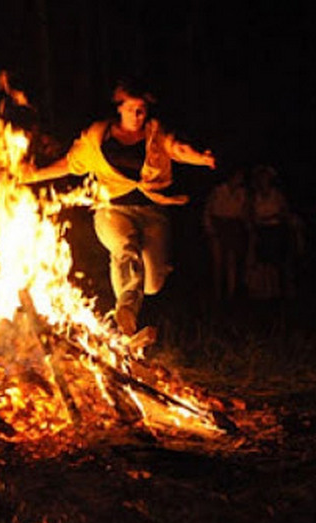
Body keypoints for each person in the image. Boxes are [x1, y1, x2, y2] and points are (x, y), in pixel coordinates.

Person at [20, 79, 216, 336]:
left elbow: (178, 148)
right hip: (112, 209)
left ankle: (136, 294)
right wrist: (35, 175)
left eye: (141, 110)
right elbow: (71, 163)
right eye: (131, 109)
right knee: (126, 249)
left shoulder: (155, 134)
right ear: (119, 109)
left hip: (153, 213)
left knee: (153, 282)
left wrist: (201, 158)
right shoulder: (97, 137)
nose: (136, 115)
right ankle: (126, 310)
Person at [245, 164, 294, 300]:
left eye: (266, 177)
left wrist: (276, 217)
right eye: (261, 177)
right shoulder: (254, 196)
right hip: (261, 230)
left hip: (275, 230)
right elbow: (249, 214)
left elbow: (285, 212)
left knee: (275, 261)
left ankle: (276, 291)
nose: (264, 180)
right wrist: (253, 227)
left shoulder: (277, 195)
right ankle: (263, 291)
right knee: (262, 261)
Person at [203, 167, 250, 302]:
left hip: (234, 226)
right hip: (219, 225)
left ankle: (231, 294)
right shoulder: (219, 190)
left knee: (231, 261)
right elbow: (208, 210)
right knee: (218, 262)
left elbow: (244, 211)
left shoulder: (242, 193)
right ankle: (217, 294)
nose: (240, 180)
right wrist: (210, 227)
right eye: (238, 177)